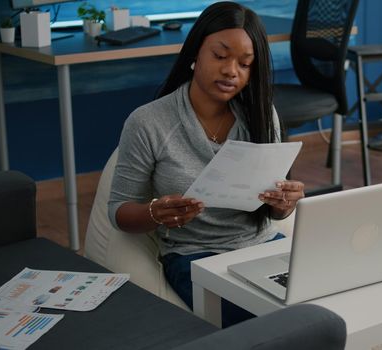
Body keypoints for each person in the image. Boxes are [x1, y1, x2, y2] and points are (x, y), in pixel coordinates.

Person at [107, 2, 305, 326]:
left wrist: (284, 204)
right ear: (195, 53)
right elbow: (118, 210)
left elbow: (274, 210)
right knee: (265, 323)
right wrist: (155, 212)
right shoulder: (148, 122)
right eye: (220, 56)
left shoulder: (261, 115)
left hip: (263, 245)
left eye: (245, 64)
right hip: (194, 256)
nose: (231, 71)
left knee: (323, 303)